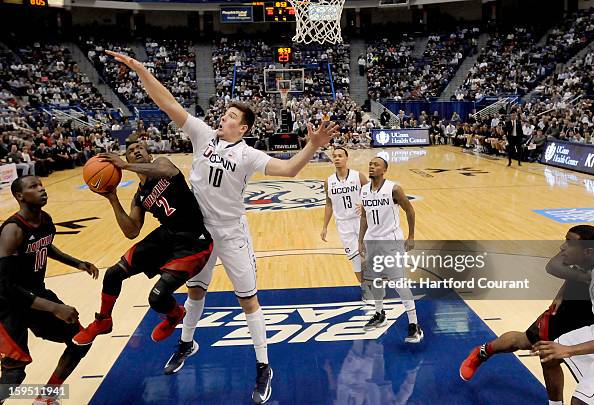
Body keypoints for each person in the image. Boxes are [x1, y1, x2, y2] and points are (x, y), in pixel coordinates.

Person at [105, 50, 339, 404]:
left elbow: (289, 170)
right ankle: (187, 343)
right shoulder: (202, 135)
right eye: (224, 113)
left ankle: (263, 366)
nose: (222, 117)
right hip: (197, 234)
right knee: (195, 292)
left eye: (230, 116)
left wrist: (311, 145)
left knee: (248, 300)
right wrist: (141, 70)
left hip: (231, 233)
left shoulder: (248, 155)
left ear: (242, 128)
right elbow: (167, 103)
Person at [72, 142, 213, 347]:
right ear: (126, 158)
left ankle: (175, 315)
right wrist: (113, 199)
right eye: (130, 151)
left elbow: (163, 170)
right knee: (113, 274)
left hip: (193, 240)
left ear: (148, 154)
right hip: (166, 236)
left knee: (157, 298)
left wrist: (125, 166)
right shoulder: (139, 197)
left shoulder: (162, 164)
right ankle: (103, 321)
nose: (136, 151)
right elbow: (131, 231)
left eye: (140, 148)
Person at [459, 225, 594, 403]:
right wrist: (563, 292)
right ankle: (482, 352)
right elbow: (555, 265)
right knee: (536, 350)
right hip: (568, 313)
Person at [0, 176, 99, 404]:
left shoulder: (45, 220)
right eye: (33, 187)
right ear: (20, 196)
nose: (41, 189)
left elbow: (45, 245)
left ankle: (47, 396)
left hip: (34, 293)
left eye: (41, 185)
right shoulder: (11, 231)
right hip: (7, 304)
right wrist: (54, 307)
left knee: (80, 340)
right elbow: (5, 287)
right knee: (14, 373)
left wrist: (77, 263)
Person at [533, 227, 594, 405]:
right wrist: (562, 292)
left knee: (580, 402)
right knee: (550, 355)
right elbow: (553, 265)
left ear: (588, 252)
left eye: (569, 243)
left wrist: (569, 350)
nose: (562, 247)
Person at [358, 157, 423, 343]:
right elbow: (364, 216)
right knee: (375, 281)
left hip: (391, 241)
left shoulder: (394, 189)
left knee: (399, 283)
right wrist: (360, 240)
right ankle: (379, 313)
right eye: (370, 164)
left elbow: (410, 211)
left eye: (376, 164)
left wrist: (411, 236)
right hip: (372, 241)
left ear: (384, 170)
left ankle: (414, 324)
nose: (371, 166)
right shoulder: (364, 190)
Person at [321, 147, 369, 300]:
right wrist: (325, 227)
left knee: (369, 256)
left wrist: (364, 205)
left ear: (346, 158)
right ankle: (365, 289)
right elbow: (328, 204)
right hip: (343, 224)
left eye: (340, 156)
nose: (337, 158)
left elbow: (372, 194)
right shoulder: (329, 181)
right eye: (334, 156)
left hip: (362, 221)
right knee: (355, 259)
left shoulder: (358, 176)